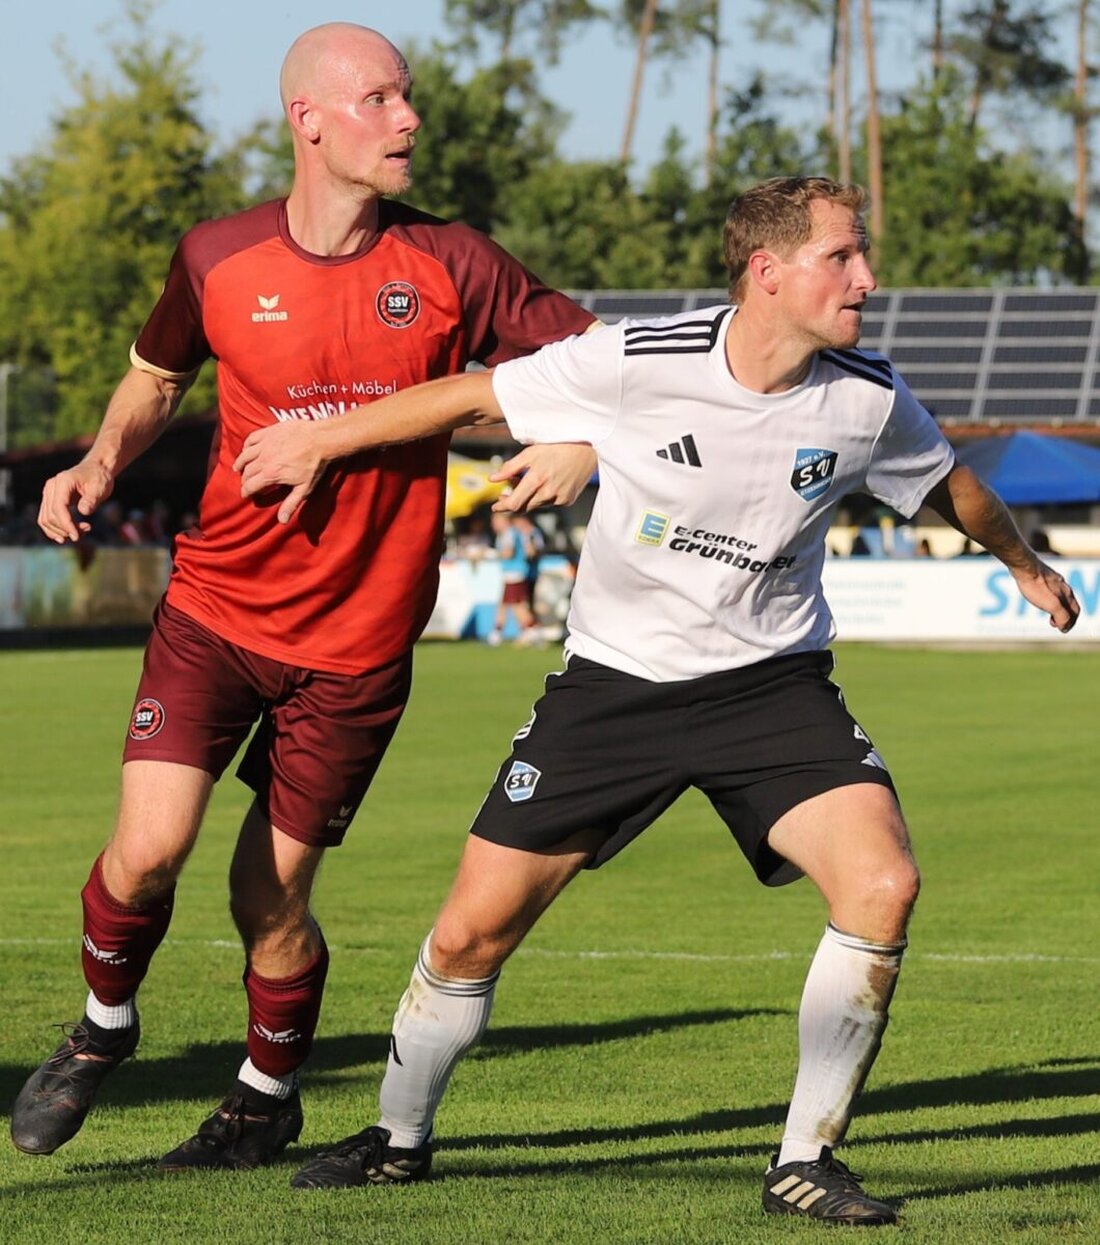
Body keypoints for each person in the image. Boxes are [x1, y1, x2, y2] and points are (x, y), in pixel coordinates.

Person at [233, 175, 1079, 1222]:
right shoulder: (637, 359)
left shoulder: (866, 395)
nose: (866, 278)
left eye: (861, 256)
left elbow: (948, 482)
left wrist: (1023, 562)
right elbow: (468, 395)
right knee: (466, 938)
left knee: (882, 885)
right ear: (767, 273)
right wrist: (320, 440)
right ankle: (396, 1140)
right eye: (842, 257)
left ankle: (806, 1159)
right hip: (612, 692)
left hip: (772, 692)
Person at [11, 23, 597, 1171]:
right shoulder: (216, 255)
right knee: (146, 851)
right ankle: (101, 1030)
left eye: (407, 97)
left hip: (356, 648)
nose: (408, 118)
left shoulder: (454, 262)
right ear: (308, 120)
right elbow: (156, 375)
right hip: (216, 611)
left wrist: (580, 435)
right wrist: (98, 461)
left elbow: (603, 364)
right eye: (379, 98)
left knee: (267, 896)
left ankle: (264, 1099)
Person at [486, 511, 542, 645]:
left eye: (495, 521)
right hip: (512, 573)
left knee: (517, 605)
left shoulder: (509, 533)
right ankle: (497, 632)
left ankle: (533, 630)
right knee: (505, 604)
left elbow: (509, 553)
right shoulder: (509, 533)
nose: (493, 524)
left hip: (514, 573)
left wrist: (491, 554)